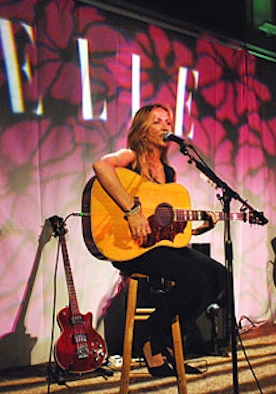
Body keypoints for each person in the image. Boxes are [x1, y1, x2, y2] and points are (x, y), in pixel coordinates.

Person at [93, 103, 227, 376]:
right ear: (143, 130)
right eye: (158, 121)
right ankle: (150, 338)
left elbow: (171, 232)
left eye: (168, 121)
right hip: (132, 248)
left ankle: (160, 340)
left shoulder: (168, 174)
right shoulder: (130, 157)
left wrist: (200, 227)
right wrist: (132, 211)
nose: (166, 126)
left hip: (159, 246)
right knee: (195, 279)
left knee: (218, 276)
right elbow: (101, 166)